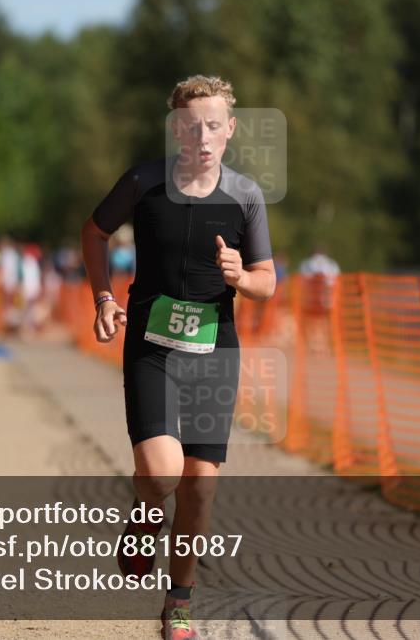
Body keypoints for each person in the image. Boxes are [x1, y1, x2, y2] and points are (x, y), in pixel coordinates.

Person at [80, 75, 275, 639]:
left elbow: (268, 280)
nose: (203, 136)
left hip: (216, 351)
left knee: (200, 486)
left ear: (230, 130)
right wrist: (102, 296)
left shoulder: (246, 195)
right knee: (163, 474)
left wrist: (244, 276)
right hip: (152, 347)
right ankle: (143, 524)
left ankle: (179, 603)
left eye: (214, 125)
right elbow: (94, 234)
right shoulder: (143, 182)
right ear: (175, 130)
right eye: (191, 126)